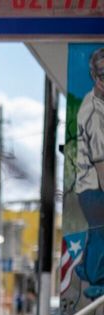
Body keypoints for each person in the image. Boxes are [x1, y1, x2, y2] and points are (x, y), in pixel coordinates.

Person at [76, 47, 104, 227]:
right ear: (94, 76)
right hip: (95, 191)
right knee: (99, 244)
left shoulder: (96, 100)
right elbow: (102, 168)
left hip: (91, 192)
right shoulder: (95, 113)